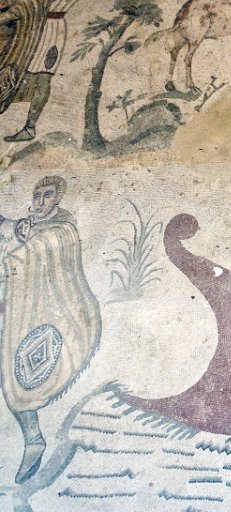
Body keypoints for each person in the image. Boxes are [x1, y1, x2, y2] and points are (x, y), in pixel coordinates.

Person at [0, 0, 149, 142]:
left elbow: (21, 8)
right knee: (28, 74)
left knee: (41, 77)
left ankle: (29, 128)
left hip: (47, 30)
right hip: (43, 27)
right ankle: (26, 125)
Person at [0, 176, 101, 483]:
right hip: (21, 313)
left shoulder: (63, 229)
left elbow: (41, 248)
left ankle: (34, 441)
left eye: (47, 195)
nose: (41, 201)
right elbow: (12, 230)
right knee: (11, 378)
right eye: (37, 195)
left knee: (27, 375)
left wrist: (19, 251)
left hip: (53, 316)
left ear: (58, 198)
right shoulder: (29, 225)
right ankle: (33, 438)